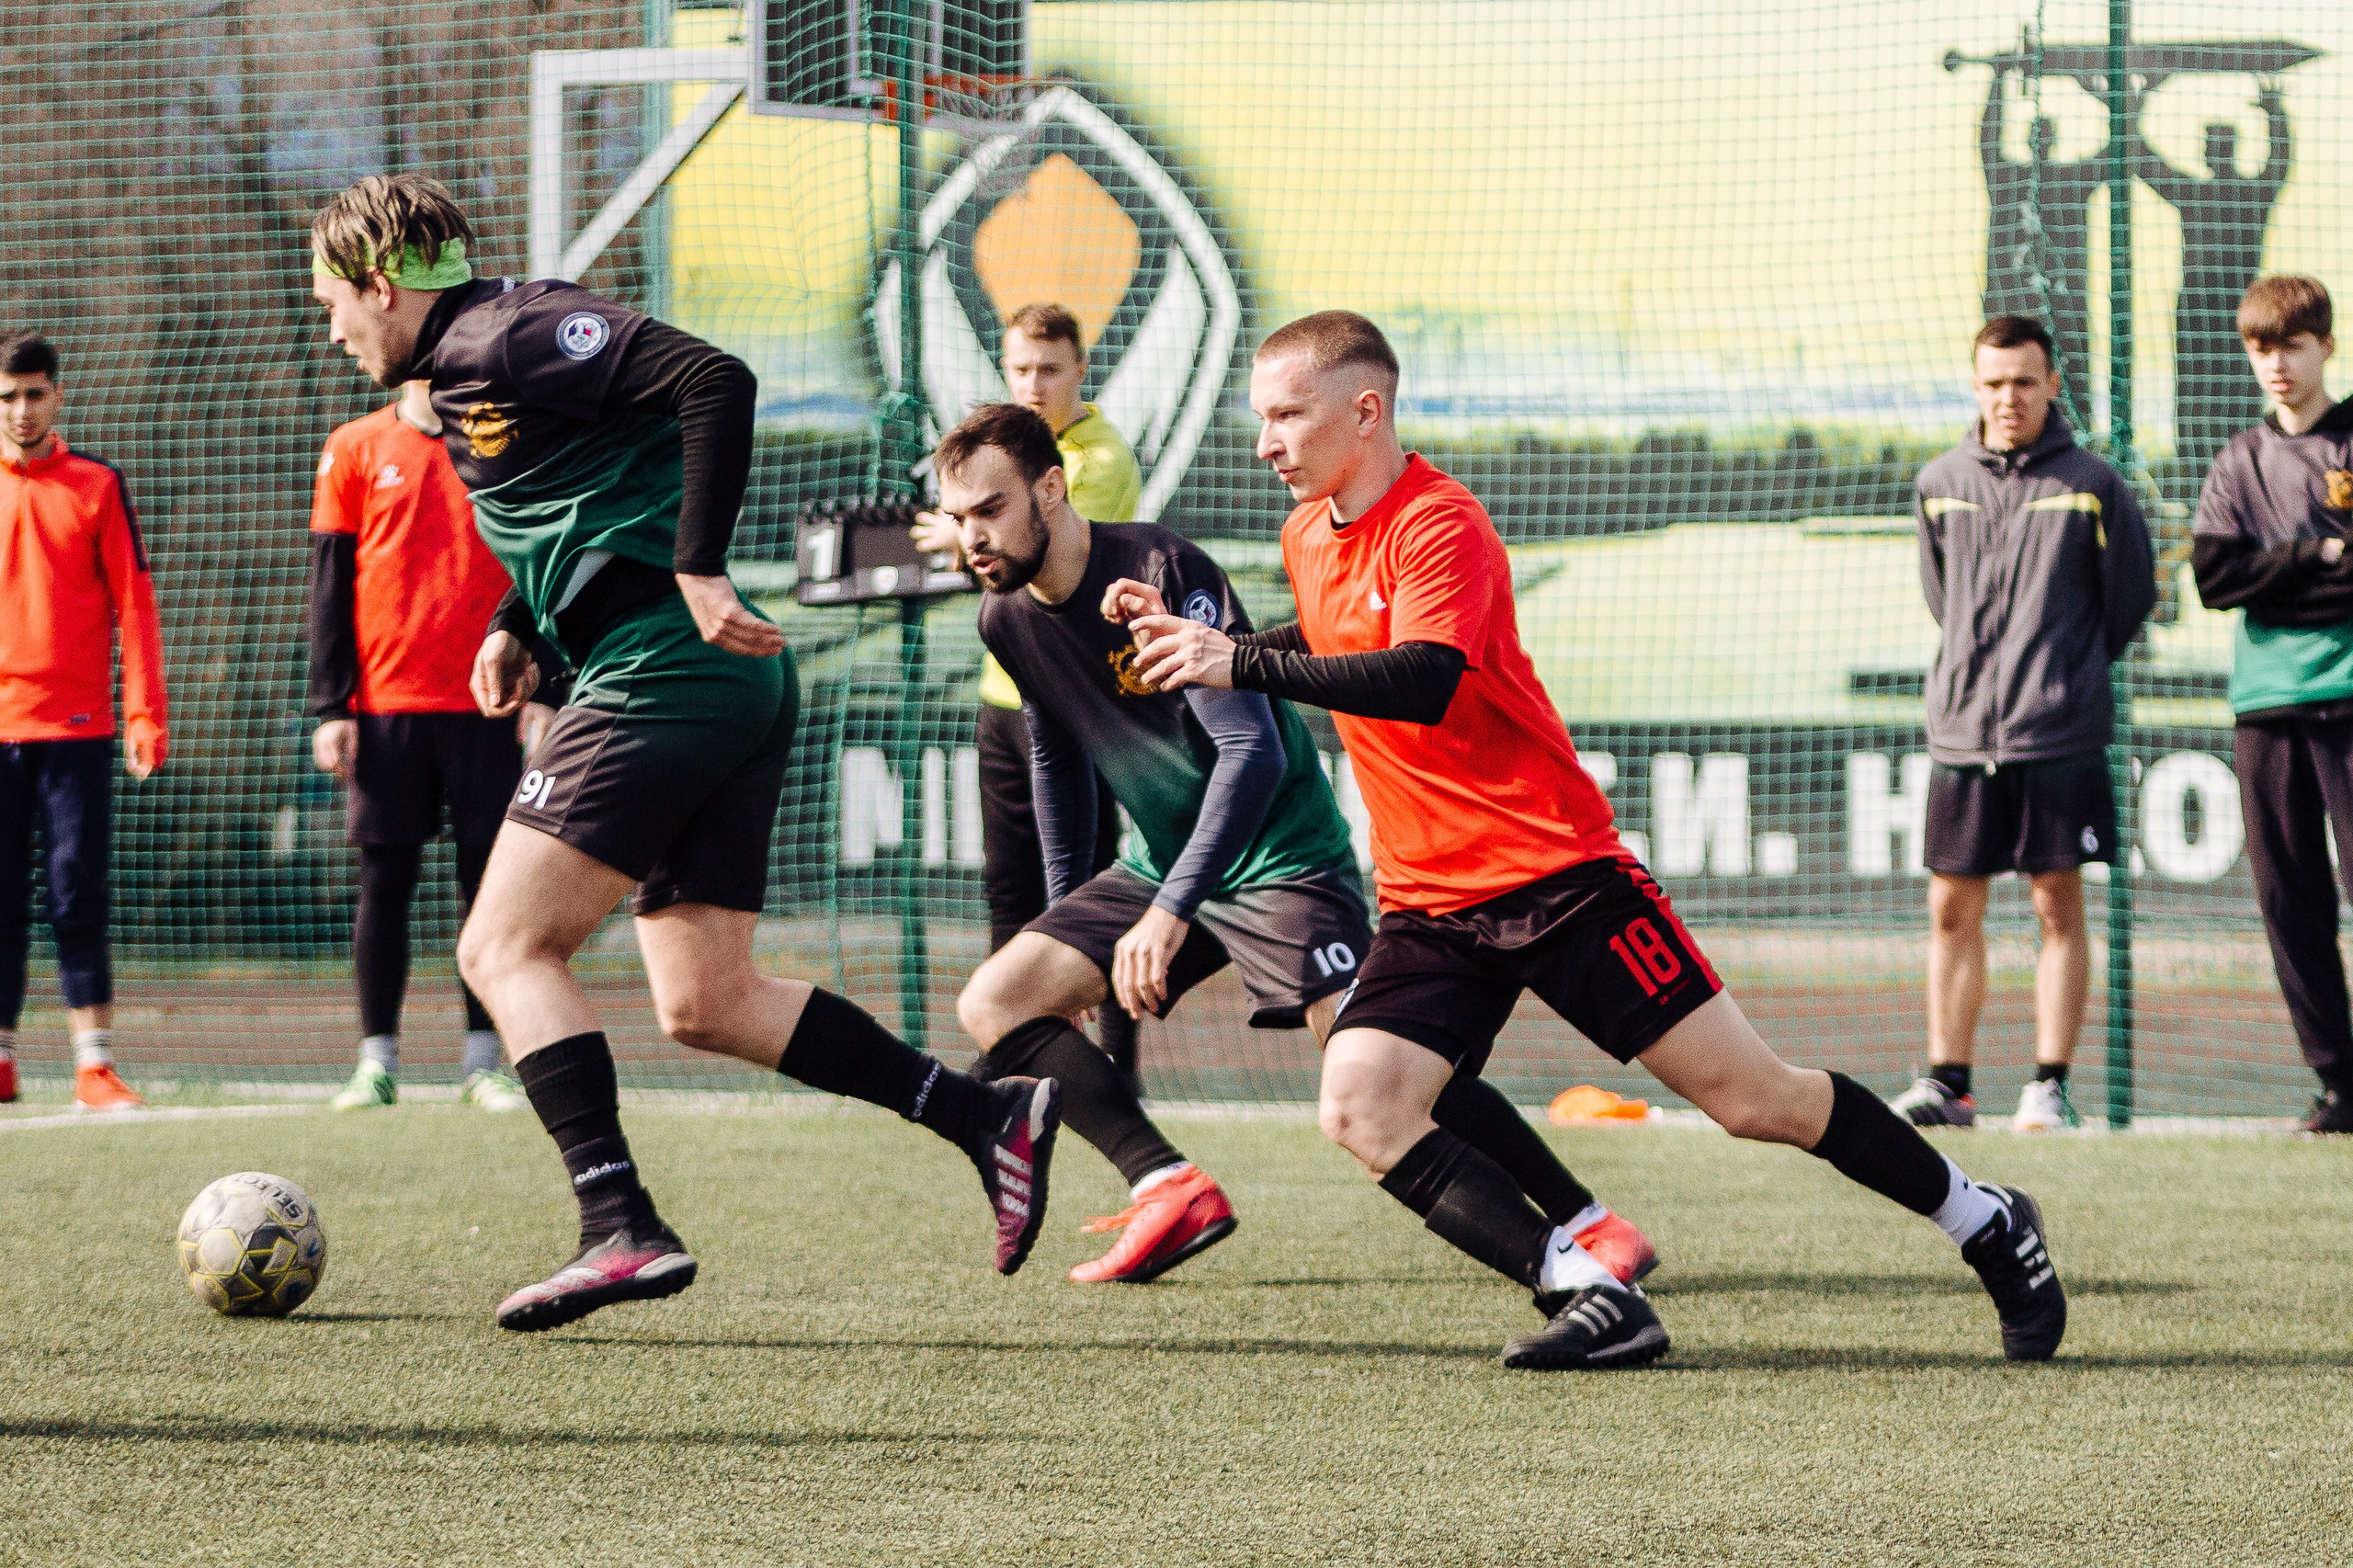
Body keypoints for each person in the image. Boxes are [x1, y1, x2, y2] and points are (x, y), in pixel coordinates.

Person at [1109, 312, 2066, 1369]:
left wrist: (1240, 662)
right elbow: (1340, 638)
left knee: (1756, 1099)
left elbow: (1423, 676)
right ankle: (1587, 1288)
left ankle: (1985, 1217)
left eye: (1287, 415)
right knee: (1361, 1102)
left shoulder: (1441, 522)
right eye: (1262, 419)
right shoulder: (1308, 532)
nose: (1266, 442)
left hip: (1559, 875)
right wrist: (1213, 641)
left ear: (1365, 409)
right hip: (1431, 902)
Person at [306, 173, 1062, 1331]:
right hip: (706, 677)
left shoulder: (502, 334)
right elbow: (600, 497)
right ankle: (983, 1115)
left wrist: (701, 568)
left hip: (665, 667)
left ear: (376, 285)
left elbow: (714, 380)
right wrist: (519, 625)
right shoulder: (465, 369)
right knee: (709, 998)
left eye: (331, 306)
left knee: (503, 946)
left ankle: (618, 1223)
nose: (333, 333)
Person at [936, 403, 1655, 1286]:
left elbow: (1254, 751)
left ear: (1051, 488)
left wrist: (1171, 911)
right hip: (1165, 864)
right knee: (1000, 1000)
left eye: (992, 510)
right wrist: (1065, 927)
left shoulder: (1161, 568)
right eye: (959, 517)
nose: (973, 537)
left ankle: (1588, 1222)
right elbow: (1055, 760)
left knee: (1379, 1068)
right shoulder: (1004, 616)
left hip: (1280, 855)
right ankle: (1165, 1185)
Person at [1891, 316, 2155, 1133]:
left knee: (2055, 905)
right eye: (1995, 383)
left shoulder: (2094, 484)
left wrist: (2061, 674)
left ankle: (2049, 1086)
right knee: (1950, 909)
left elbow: (2130, 598)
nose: (2010, 398)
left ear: (2052, 386)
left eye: (2025, 382)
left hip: (2059, 733)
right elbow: (1943, 599)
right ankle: (1948, 1085)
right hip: (1963, 732)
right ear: (1976, 387)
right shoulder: (1939, 481)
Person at [308, 378, 552, 1113]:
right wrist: (331, 706)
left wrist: (546, 687)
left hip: (491, 703)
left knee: (490, 887)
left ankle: (485, 1064)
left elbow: (541, 565)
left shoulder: (504, 438)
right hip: (385, 710)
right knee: (385, 884)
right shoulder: (354, 447)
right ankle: (375, 1063)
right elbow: (330, 583)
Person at [914, 303, 1142, 1087]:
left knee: (1093, 900)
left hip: (1083, 706)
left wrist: (953, 536)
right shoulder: (1005, 460)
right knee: (1009, 890)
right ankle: (1012, 1070)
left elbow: (1047, 558)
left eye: (1050, 368)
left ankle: (1116, 1080)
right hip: (1004, 702)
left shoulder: (1097, 460)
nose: (1034, 383)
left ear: (1081, 370)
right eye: (1020, 369)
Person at [2188, 275, 2353, 1135]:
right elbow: (2215, 580)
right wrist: (2314, 559)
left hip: (2349, 697)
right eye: (2261, 348)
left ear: (2326, 345)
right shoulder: (2238, 462)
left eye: (2292, 344)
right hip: (2266, 704)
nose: (2277, 364)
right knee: (2289, 902)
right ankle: (2340, 1086)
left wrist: (2274, 573)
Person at [0, 330, 168, 1111]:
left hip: (76, 729)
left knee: (76, 892)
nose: (21, 410)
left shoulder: (98, 484)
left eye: (34, 394)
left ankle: (93, 1066)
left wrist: (144, 714)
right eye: (8, 396)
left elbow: (135, 604)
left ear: (58, 395)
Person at [2140, 85, 2293, 485]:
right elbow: (2280, 160)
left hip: (2229, 308)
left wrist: (2133, 108)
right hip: (2209, 307)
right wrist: (2274, 111)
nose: (2212, 151)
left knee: (2224, 390)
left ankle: (2220, 473)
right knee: (2203, 391)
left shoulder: (2231, 193)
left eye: (2215, 145)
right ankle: (2205, 473)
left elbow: (2144, 161)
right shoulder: (2219, 192)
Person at [1978, 68, 2107, 404]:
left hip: (2063, 310)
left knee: (2068, 391)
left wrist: (2116, 103)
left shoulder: (2070, 181)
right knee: (2012, 385)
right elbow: (1988, 137)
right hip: (2013, 305)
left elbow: (2116, 155)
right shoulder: (2008, 178)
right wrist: (1998, 82)